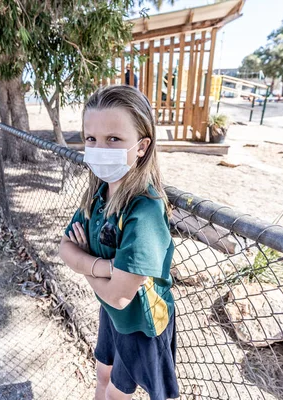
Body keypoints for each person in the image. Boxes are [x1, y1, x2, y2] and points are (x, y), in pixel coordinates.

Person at [59, 85, 179, 400]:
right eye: (91, 139)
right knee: (102, 373)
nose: (100, 148)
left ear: (141, 146)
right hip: (110, 316)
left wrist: (83, 268)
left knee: (120, 393)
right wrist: (100, 266)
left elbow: (120, 297)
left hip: (143, 323)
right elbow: (65, 247)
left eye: (113, 139)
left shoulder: (145, 209)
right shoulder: (98, 195)